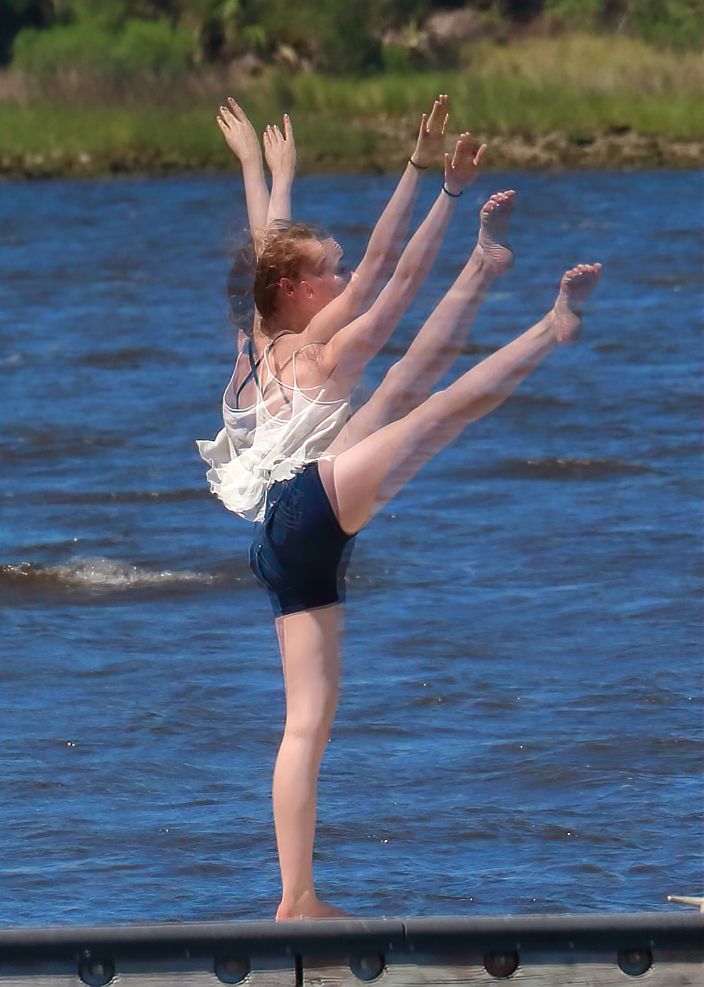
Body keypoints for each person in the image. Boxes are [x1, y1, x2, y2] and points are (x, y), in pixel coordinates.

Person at [198, 98, 602, 920]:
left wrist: (267, 174)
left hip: (280, 542)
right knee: (432, 405)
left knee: (304, 723)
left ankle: (296, 897)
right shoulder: (322, 348)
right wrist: (434, 185)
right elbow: (392, 269)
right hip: (308, 509)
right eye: (330, 274)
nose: (344, 282)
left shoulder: (256, 339)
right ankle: (549, 325)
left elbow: (276, 250)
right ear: (299, 289)